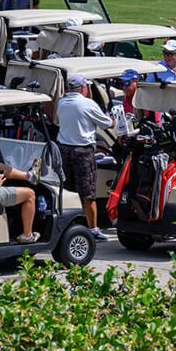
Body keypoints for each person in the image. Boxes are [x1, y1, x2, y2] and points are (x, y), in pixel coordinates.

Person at [56, 72, 114, 241]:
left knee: (69, 189)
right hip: (82, 152)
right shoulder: (88, 103)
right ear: (83, 88)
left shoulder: (62, 103)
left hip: (64, 150)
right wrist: (114, 119)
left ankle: (71, 225)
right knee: (88, 193)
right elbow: (107, 124)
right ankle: (93, 229)